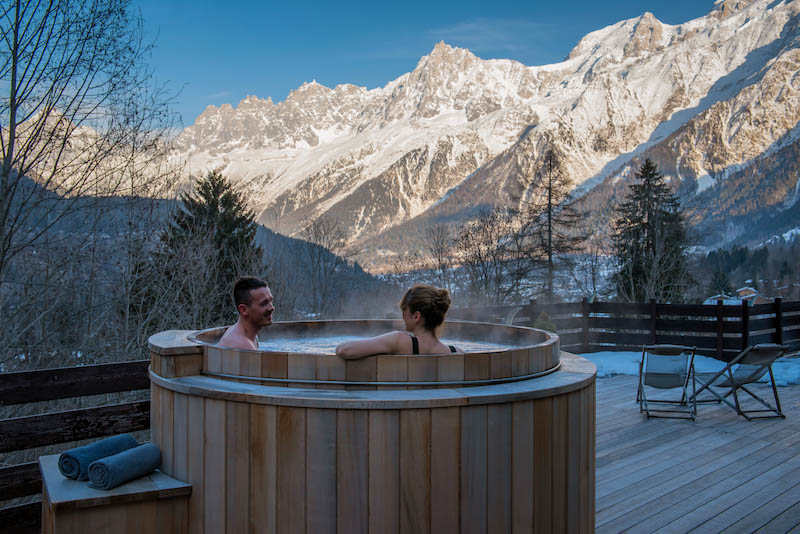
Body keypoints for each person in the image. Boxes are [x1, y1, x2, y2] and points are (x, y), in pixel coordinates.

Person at [335, 284, 460, 359]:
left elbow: (344, 350)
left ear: (416, 316)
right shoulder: (457, 352)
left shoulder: (400, 341)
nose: (402, 317)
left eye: (404, 311)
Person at [218, 276, 275, 350]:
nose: (272, 308)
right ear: (243, 310)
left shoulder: (247, 335)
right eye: (264, 303)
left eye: (271, 301)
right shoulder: (243, 346)